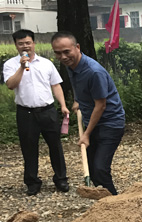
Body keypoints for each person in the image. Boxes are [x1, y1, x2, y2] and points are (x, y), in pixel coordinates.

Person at [51, 32, 126, 195]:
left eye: (66, 51)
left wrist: (86, 134)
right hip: (93, 121)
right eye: (58, 53)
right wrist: (78, 100)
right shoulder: (72, 66)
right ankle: (103, 201)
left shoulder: (93, 72)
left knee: (100, 168)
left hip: (110, 123)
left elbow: (101, 105)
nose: (63, 57)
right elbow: (79, 86)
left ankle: (115, 202)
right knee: (92, 168)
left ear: (77, 47)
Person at [3, 29, 69, 195]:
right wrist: (21, 67)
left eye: (28, 43)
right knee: (29, 148)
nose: (25, 46)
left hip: (47, 110)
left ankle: (61, 179)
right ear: (16, 45)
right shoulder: (10, 64)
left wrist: (63, 105)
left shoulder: (46, 63)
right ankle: (32, 182)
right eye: (21, 44)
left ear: (34, 43)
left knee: (55, 146)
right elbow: (10, 85)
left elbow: (56, 85)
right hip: (26, 113)